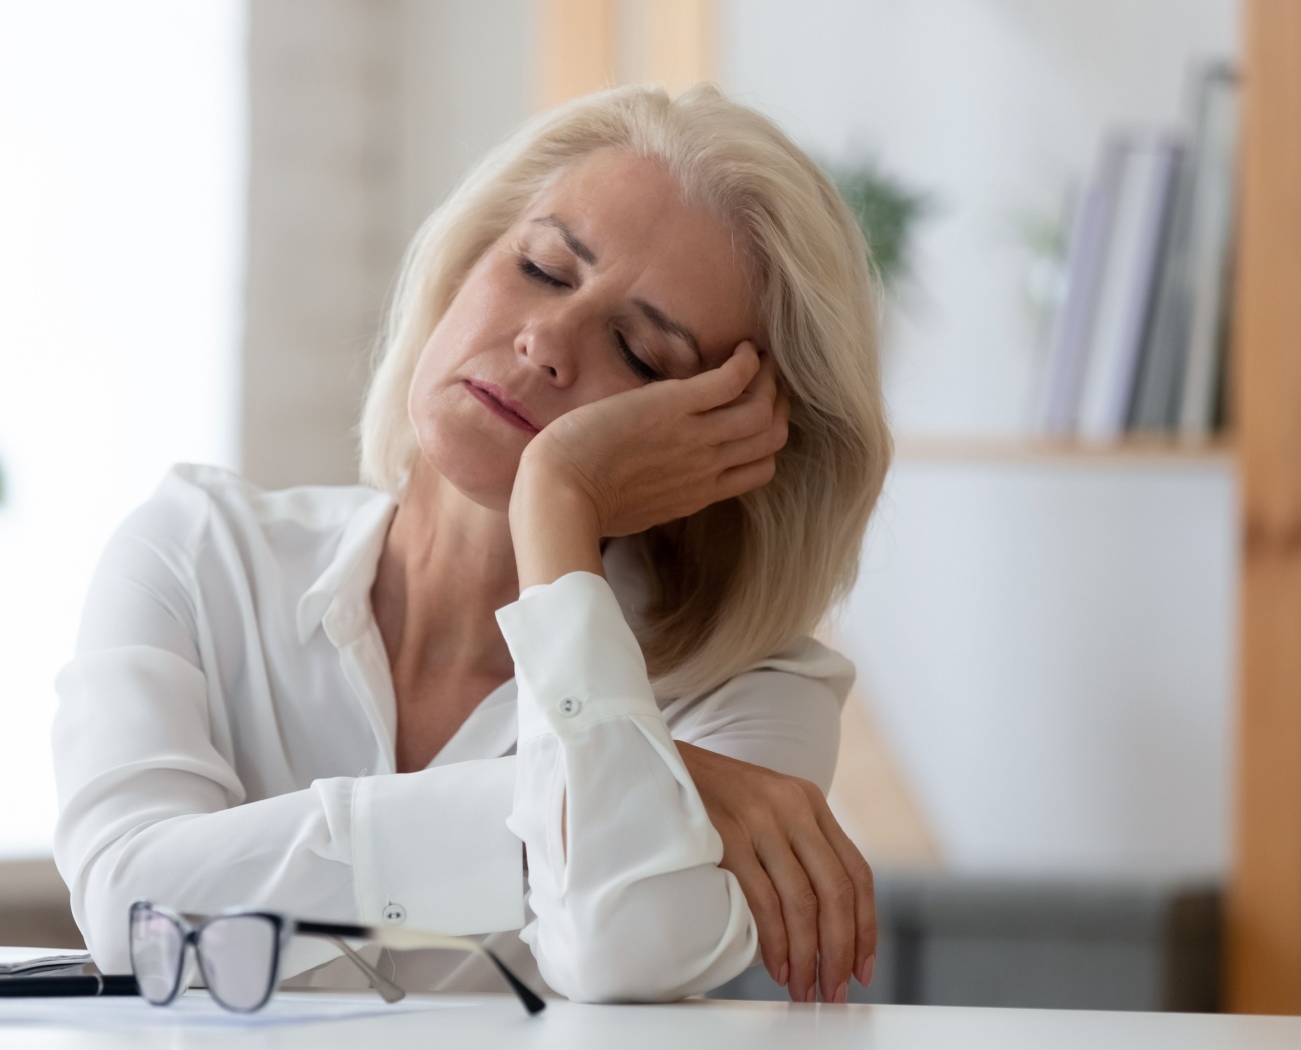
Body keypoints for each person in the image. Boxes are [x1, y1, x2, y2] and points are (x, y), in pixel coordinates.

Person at [52, 83, 891, 1005]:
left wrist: (558, 498)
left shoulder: (752, 698)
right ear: (465, 260)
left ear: (735, 449)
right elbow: (135, 911)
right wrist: (635, 790)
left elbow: (620, 951)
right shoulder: (198, 554)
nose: (547, 341)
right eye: (540, 267)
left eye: (644, 356)